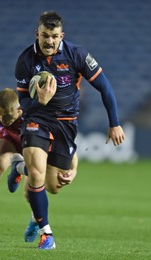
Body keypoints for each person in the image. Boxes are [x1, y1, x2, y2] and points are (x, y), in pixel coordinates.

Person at [14, 11, 125, 250]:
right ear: (37, 33)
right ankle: (47, 234)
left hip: (65, 122)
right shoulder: (25, 60)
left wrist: (114, 122)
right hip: (37, 118)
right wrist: (40, 101)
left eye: (54, 36)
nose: (49, 41)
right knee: (36, 173)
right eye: (45, 35)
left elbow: (105, 87)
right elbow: (23, 104)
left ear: (61, 35)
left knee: (53, 186)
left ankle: (21, 174)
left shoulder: (77, 55)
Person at [0, 88, 77, 243]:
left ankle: (35, 218)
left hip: (34, 144)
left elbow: (66, 141)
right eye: (0, 114)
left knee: (39, 190)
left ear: (19, 109)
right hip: (11, 139)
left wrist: (73, 168)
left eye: (7, 115)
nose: (2, 119)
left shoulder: (37, 109)